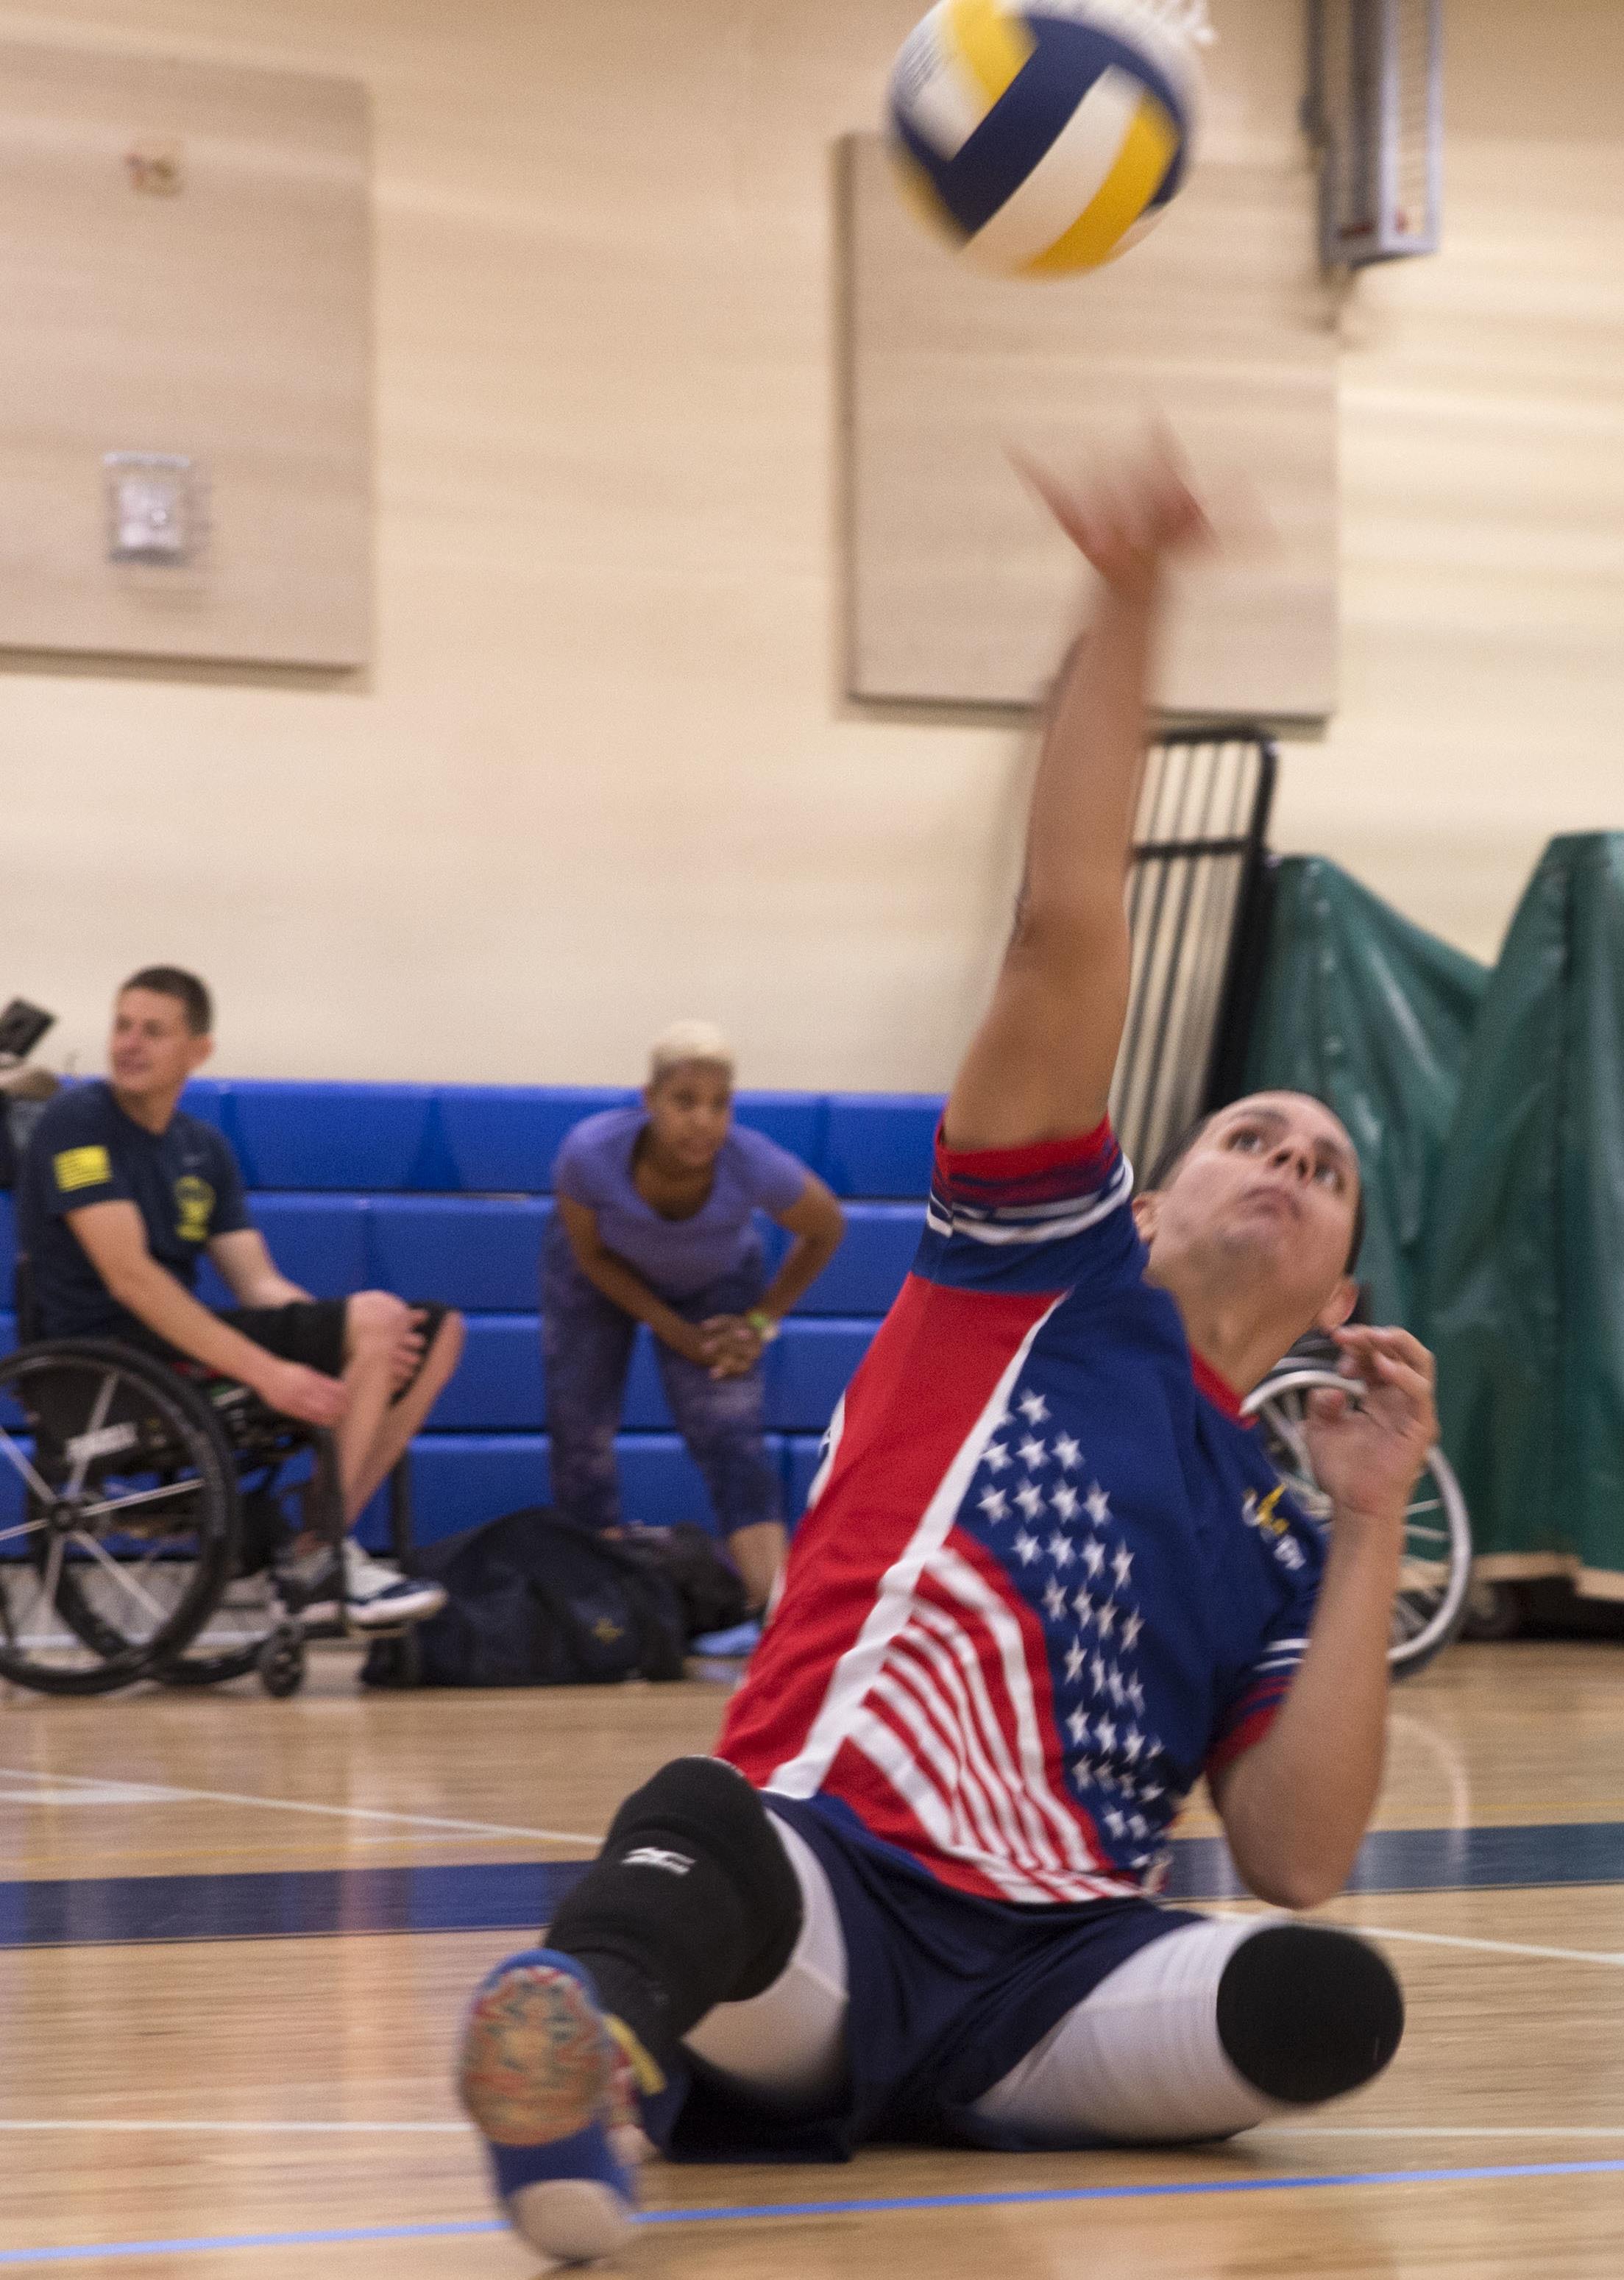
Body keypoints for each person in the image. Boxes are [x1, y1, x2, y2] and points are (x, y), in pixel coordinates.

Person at [455, 445, 1433, 2263]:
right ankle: (589, 2047)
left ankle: (708, 2076)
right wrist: (1130, 601)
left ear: (1337, 1288)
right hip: (829, 1880)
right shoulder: (1043, 1262)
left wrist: (1372, 1518)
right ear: (1153, 1195)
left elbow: (1299, 1849)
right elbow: (1063, 928)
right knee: (701, 1821)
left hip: (1057, 1968)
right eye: (1254, 1135)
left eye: (1326, 1170)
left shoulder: (1280, 1524)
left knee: (1325, 1997)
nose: (1289, 1165)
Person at [11, 968, 456, 1629]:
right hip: (103, 1356)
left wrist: (347, 1341)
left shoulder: (203, 1148)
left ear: (199, 1051)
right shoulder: (77, 1122)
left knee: (429, 1329)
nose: (130, 1044)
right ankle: (322, 1564)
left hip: (177, 1346)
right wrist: (271, 1372)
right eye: (122, 1025)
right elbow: (128, 1277)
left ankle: (316, 1549)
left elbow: (259, 1283)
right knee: (373, 1323)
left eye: (153, 1031)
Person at [545, 1020, 845, 1620]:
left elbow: (826, 1228)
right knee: (581, 1429)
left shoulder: (755, 1163)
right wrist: (671, 1329)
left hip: (716, 1284)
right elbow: (590, 1255)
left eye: (719, 1104)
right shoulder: (588, 1153)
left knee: (733, 1440)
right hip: (596, 1275)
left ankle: (774, 1608)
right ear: (649, 1099)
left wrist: (759, 1324)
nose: (703, 1121)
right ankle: (597, 1604)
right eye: (684, 1101)